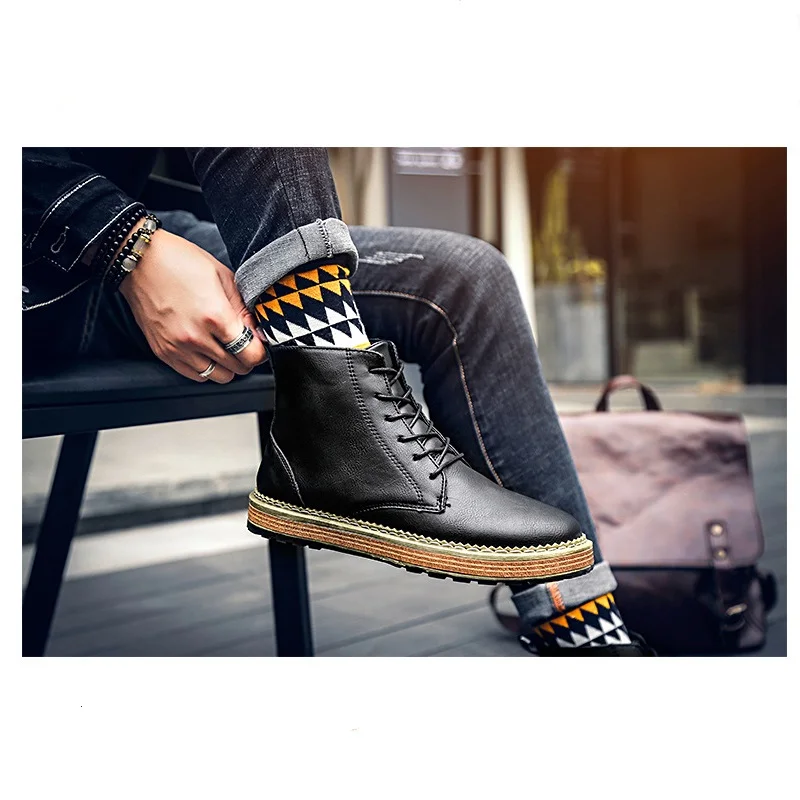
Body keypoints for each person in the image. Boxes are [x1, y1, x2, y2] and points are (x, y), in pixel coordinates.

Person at [23, 147, 654, 656]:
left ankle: (587, 635)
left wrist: (140, 233)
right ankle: (339, 416)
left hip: (136, 230)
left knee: (465, 276)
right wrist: (120, 238)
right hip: (37, 267)